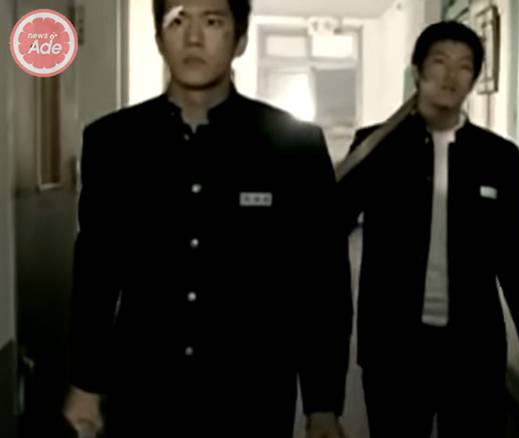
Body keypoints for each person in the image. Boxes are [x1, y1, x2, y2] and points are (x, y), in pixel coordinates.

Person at [62, 0, 352, 436]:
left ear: (240, 39)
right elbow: (95, 273)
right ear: (159, 38)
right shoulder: (114, 141)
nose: (193, 38)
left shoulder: (294, 146)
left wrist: (323, 403)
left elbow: (321, 282)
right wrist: (86, 382)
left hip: (252, 391)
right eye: (178, 21)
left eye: (212, 21)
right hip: (143, 388)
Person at [338, 21, 519, 438]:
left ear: (475, 79)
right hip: (393, 348)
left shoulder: (498, 156)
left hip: (474, 349)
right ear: (418, 70)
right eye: (440, 62)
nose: (451, 75)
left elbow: (511, 251)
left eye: (464, 66)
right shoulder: (376, 144)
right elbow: (330, 224)